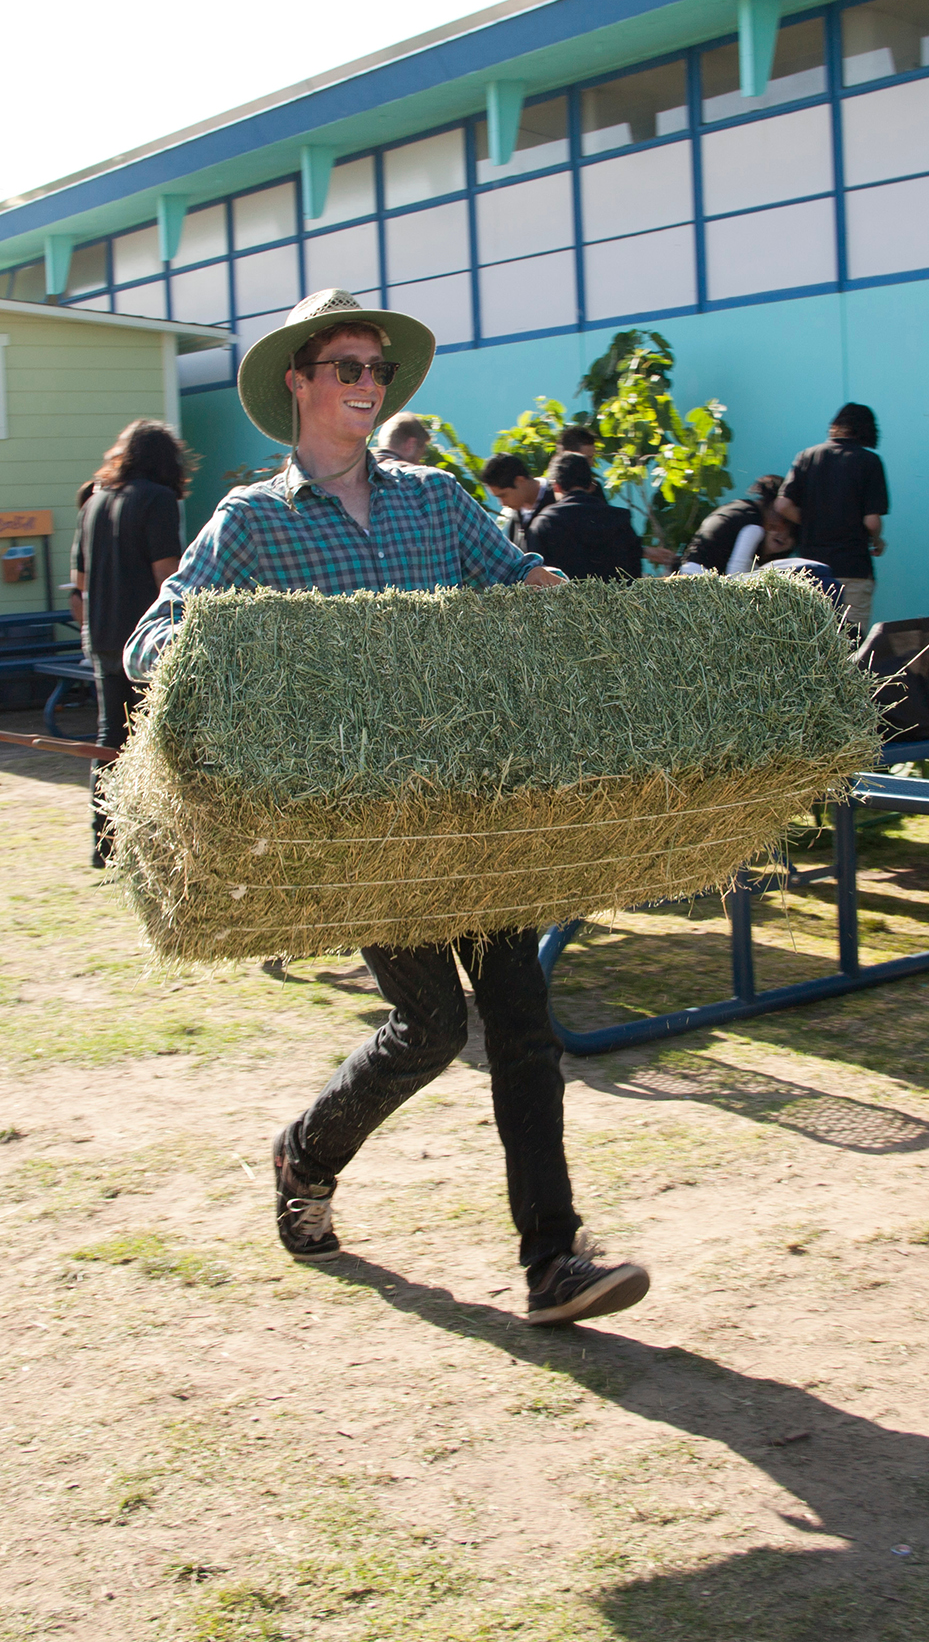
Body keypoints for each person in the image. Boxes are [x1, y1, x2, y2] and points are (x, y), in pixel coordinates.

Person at [124, 288, 649, 1325]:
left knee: (522, 1022)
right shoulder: (256, 523)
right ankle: (305, 1154)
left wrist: (607, 619)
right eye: (349, 367)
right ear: (300, 381)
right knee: (429, 1023)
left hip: (474, 795)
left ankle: (553, 1260)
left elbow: (516, 576)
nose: (369, 385)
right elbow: (155, 638)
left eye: (379, 369)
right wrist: (219, 658)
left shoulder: (433, 498)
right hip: (365, 825)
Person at [70, 419, 190, 867]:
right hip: (145, 642)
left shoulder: (94, 502)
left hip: (100, 635)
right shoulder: (157, 500)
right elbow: (169, 578)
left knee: (110, 740)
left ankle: (105, 843)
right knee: (156, 743)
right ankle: (155, 841)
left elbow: (77, 584)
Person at [777, 403, 888, 630]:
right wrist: (877, 541)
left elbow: (782, 505)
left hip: (810, 571)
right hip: (853, 568)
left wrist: (813, 521)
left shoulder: (807, 456)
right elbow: (871, 521)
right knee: (851, 646)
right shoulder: (869, 462)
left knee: (811, 644)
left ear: (836, 426)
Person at [527, 451, 645, 581]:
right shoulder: (620, 519)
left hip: (568, 600)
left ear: (556, 487)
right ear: (590, 485)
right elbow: (635, 575)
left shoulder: (544, 524)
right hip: (621, 599)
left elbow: (538, 578)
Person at [680, 475, 793, 575]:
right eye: (784, 519)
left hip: (688, 571)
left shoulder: (738, 506)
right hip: (702, 579)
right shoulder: (754, 524)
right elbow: (736, 574)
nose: (782, 527)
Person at [480, 453, 545, 554]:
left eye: (503, 495)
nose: (502, 503)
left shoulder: (559, 499)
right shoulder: (514, 522)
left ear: (520, 481)